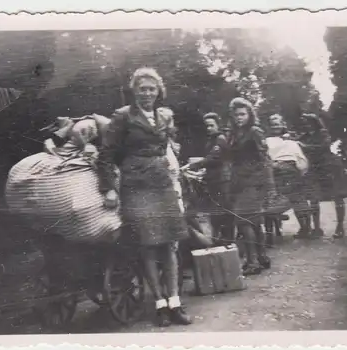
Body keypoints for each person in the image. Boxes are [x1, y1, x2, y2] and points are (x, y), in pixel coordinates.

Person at [97, 67, 192, 327]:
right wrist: (110, 188)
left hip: (162, 183)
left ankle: (175, 303)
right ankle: (160, 305)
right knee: (148, 245)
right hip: (136, 186)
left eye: (151, 89)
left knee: (170, 245)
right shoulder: (123, 116)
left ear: (159, 91)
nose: (147, 94)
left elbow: (168, 149)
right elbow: (105, 155)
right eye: (142, 89)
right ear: (134, 91)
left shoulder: (163, 117)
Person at [227, 97, 273, 275]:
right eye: (236, 115)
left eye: (242, 114)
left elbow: (265, 159)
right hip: (239, 181)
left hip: (253, 181)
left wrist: (267, 185)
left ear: (249, 115)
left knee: (246, 222)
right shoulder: (234, 134)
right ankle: (261, 257)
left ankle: (254, 261)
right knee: (252, 223)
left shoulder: (255, 131)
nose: (239, 118)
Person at [297, 113, 347, 239]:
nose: (305, 126)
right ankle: (316, 228)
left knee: (337, 196)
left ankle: (340, 227)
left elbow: (323, 147)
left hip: (330, 167)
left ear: (314, 122)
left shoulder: (323, 133)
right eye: (303, 123)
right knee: (313, 198)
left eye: (307, 123)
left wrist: (304, 146)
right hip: (314, 168)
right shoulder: (303, 137)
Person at [182, 112, 234, 245]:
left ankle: (228, 243)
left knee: (223, 212)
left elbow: (213, 158)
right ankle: (221, 242)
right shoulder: (212, 139)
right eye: (207, 126)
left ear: (218, 125)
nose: (209, 128)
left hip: (222, 181)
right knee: (217, 213)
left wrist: (192, 165)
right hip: (214, 180)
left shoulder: (220, 139)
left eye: (211, 125)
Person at [265, 114, 311, 243]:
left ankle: (305, 228)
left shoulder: (291, 141)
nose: (276, 127)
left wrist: (300, 169)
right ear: (269, 126)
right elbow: (267, 157)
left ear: (283, 124)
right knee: (275, 200)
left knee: (298, 200)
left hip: (291, 170)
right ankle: (273, 230)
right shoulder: (267, 141)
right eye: (273, 125)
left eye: (278, 124)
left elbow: (300, 157)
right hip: (275, 171)